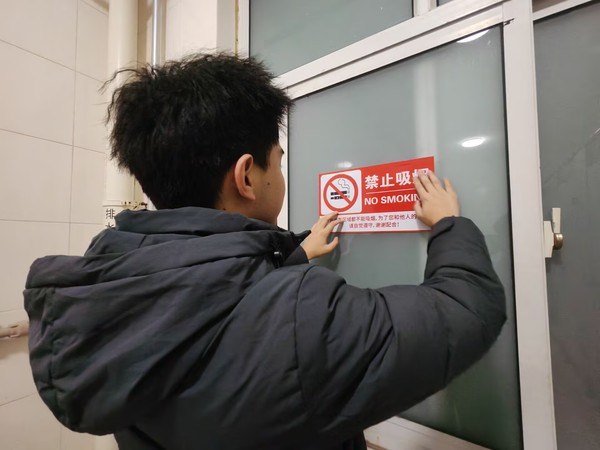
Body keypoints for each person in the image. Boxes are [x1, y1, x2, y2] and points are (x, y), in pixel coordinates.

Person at [25, 53, 506, 450]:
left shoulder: (107, 280)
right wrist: (449, 224)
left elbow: (207, 308)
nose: (280, 173)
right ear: (246, 177)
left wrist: (291, 256)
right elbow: (466, 309)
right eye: (276, 162)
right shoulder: (305, 318)